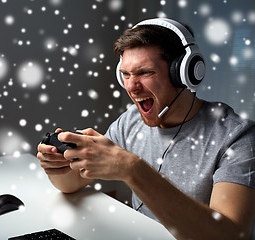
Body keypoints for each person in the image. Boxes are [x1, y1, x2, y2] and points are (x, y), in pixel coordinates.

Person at [37, 18, 255, 240]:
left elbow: (231, 236)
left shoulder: (236, 137)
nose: (131, 86)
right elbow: (73, 183)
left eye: (145, 72)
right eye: (126, 74)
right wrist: (58, 168)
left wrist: (133, 169)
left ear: (184, 72)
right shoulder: (130, 121)